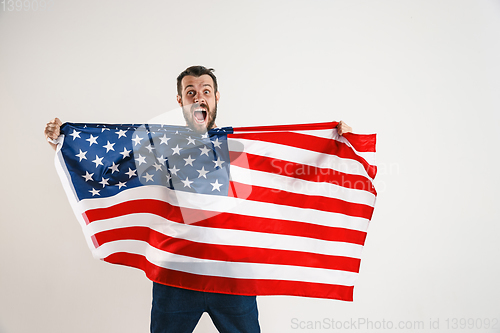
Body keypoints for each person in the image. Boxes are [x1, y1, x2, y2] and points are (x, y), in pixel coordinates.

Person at [44, 65, 352, 333]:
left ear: (217, 97)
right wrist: (64, 140)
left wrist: (335, 141)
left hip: (232, 276)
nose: (198, 96)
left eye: (205, 90)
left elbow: (286, 174)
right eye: (190, 92)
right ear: (180, 101)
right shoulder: (159, 147)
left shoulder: (240, 146)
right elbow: (110, 170)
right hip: (175, 276)